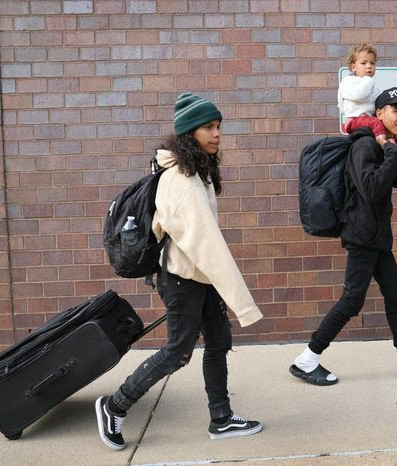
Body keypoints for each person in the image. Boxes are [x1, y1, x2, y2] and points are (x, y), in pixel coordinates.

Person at [95, 93, 263, 450]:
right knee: (177, 352)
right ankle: (114, 405)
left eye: (218, 126)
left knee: (218, 343)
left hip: (198, 277)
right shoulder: (182, 181)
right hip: (182, 279)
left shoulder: (196, 171)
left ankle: (221, 418)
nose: (217, 134)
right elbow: (208, 246)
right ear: (189, 133)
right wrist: (244, 304)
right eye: (208, 127)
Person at [290, 87, 397, 386]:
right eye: (396, 111)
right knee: (352, 301)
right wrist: (389, 150)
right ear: (379, 114)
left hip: (375, 235)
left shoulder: (382, 144)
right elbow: (372, 188)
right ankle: (307, 359)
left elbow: (394, 182)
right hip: (363, 235)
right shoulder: (364, 145)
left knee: (395, 296)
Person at [338, 44, 397, 171]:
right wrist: (368, 80)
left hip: (366, 120)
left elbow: (377, 103)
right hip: (354, 120)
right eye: (363, 63)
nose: (369, 66)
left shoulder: (372, 86)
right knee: (376, 122)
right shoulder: (349, 82)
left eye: (372, 63)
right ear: (353, 67)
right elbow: (358, 94)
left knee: (382, 125)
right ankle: (384, 144)